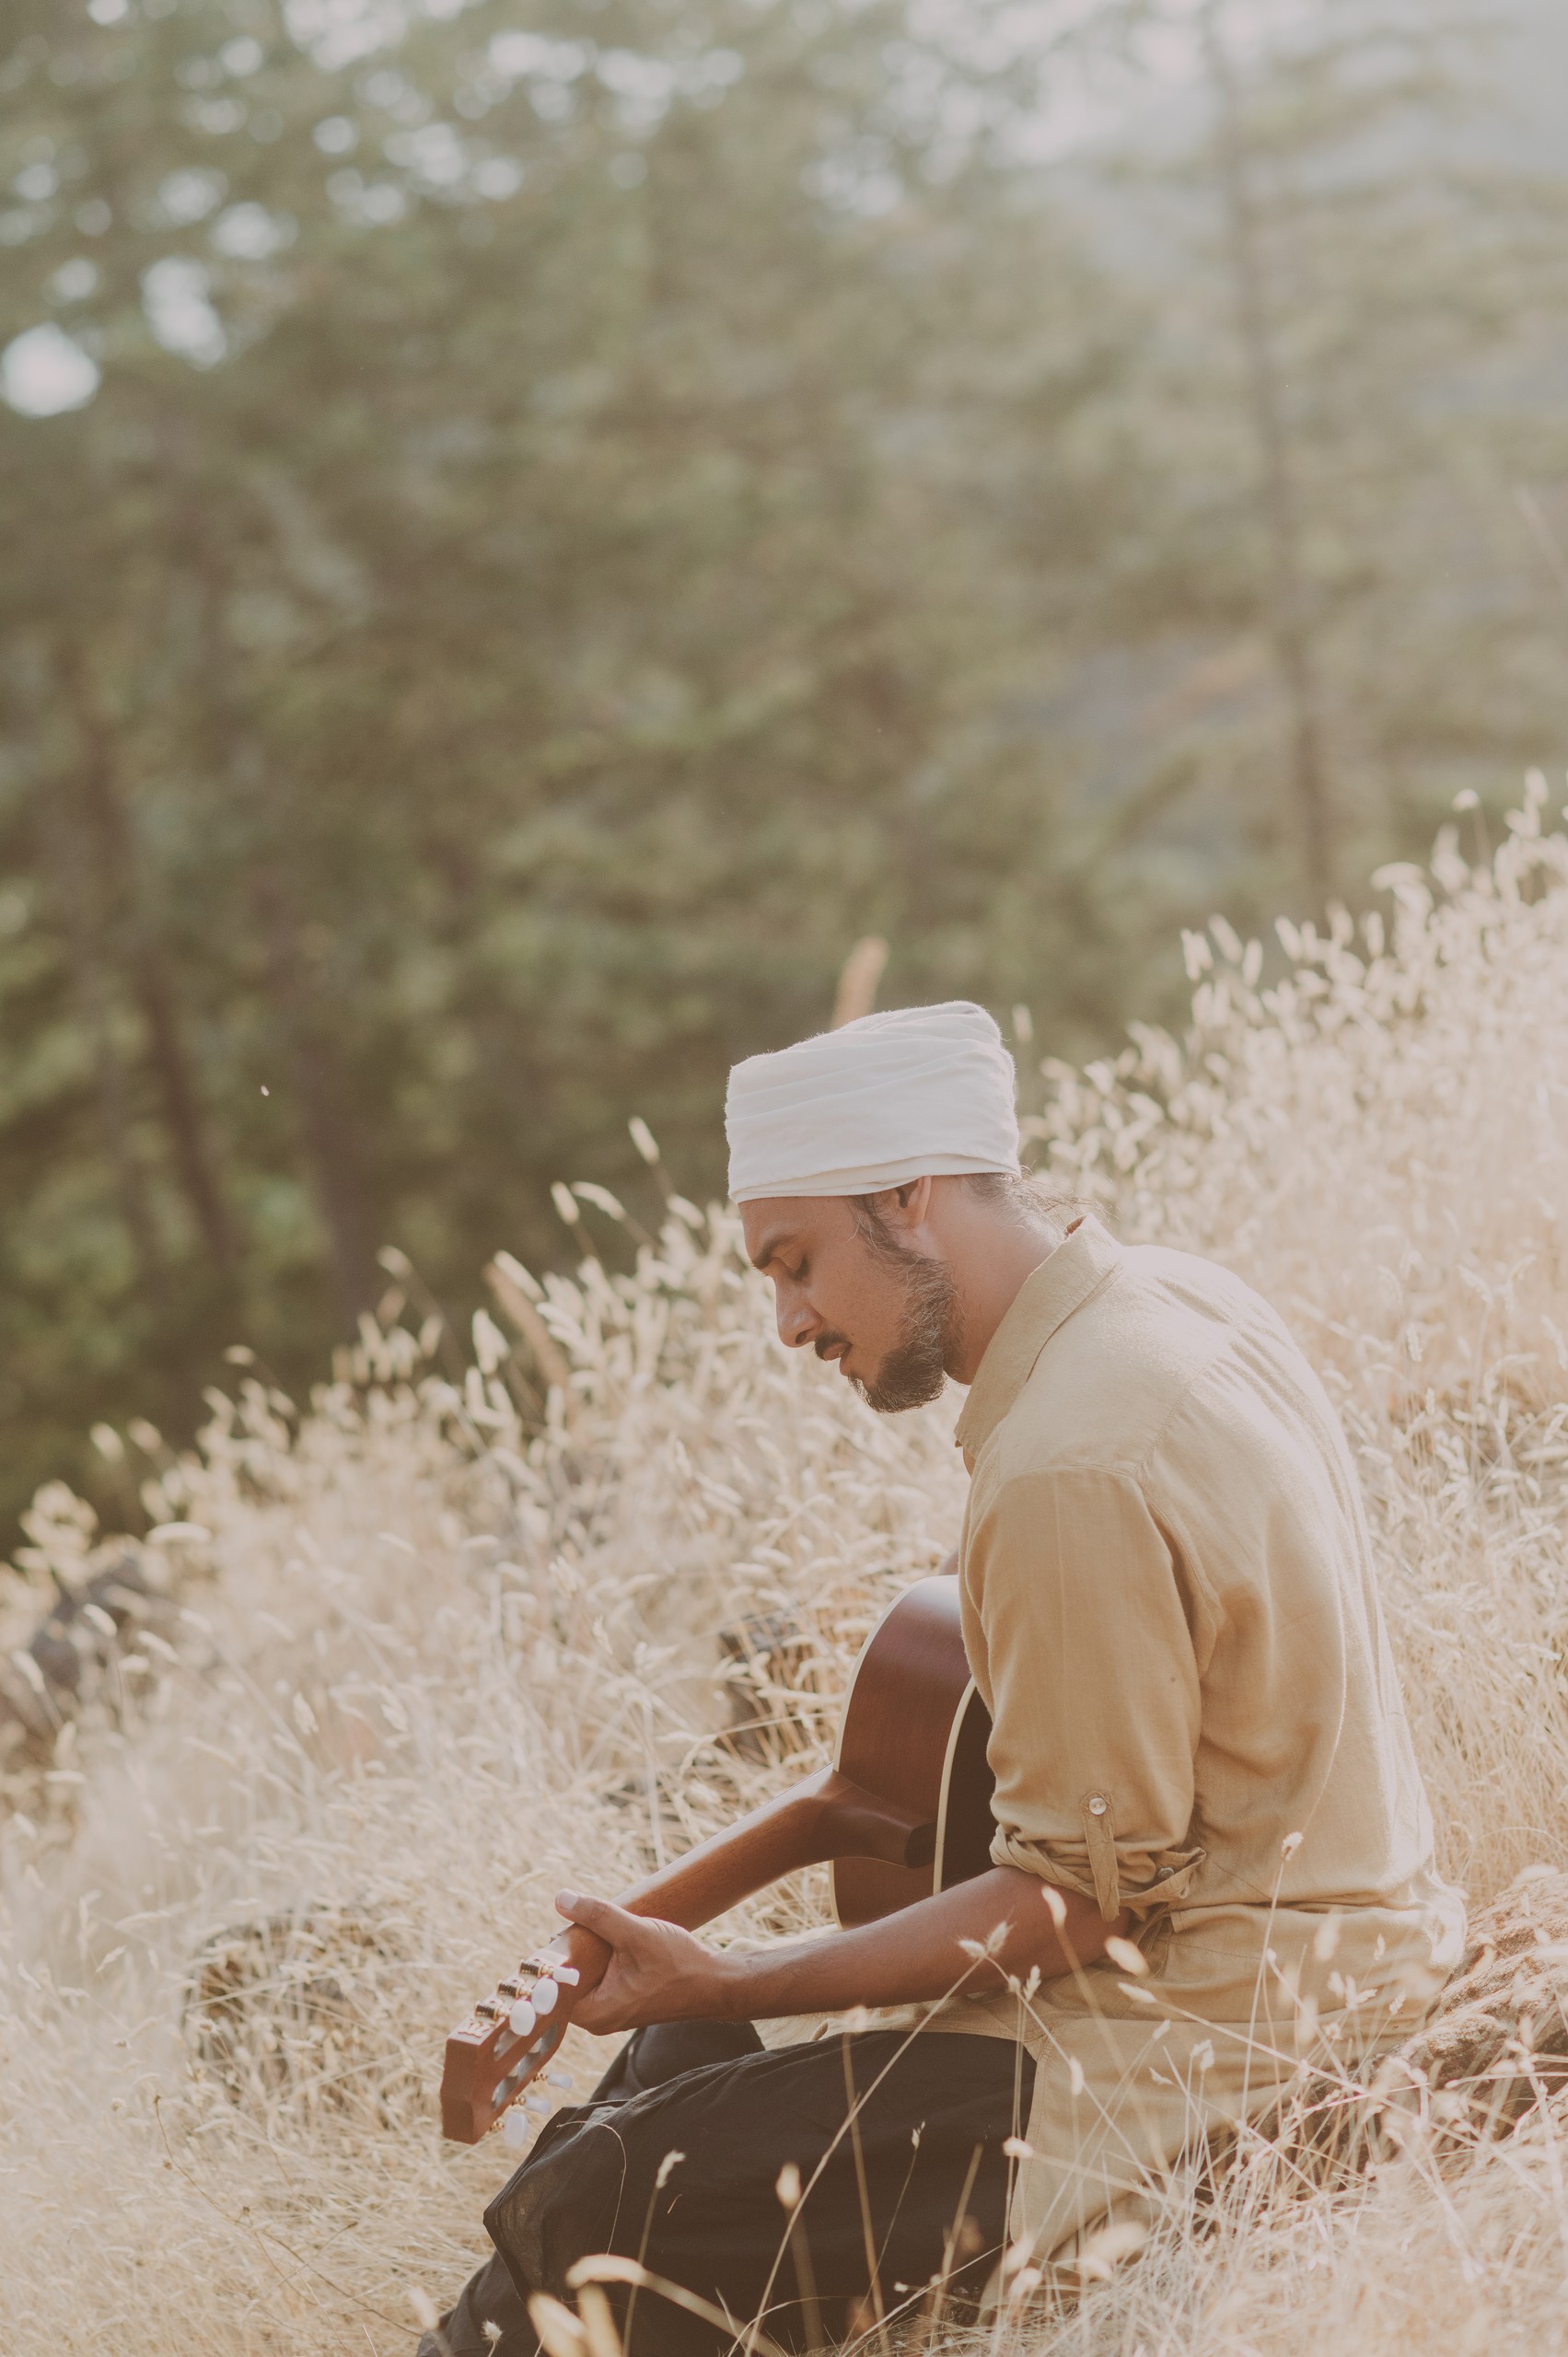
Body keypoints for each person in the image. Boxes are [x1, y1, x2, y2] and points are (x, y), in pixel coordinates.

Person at [422, 1001, 1464, 2357]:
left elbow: (1077, 1906)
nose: (788, 1325)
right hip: (1342, 1944)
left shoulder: (1066, 1466)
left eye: (796, 1266)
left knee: (600, 2203)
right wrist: (702, 2002)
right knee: (667, 2078)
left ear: (911, 1197)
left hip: (1207, 2043)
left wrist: (729, 1978)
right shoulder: (1177, 1302)